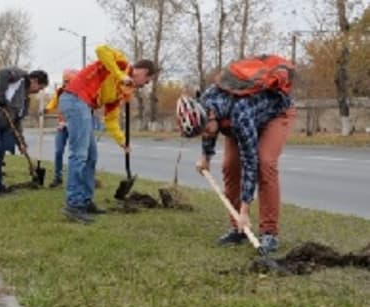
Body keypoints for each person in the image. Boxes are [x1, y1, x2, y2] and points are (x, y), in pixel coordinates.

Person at [177, 75, 296, 253]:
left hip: (276, 114)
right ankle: (238, 229)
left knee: (265, 164)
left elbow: (250, 162)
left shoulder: (240, 112)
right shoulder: (206, 104)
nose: (207, 135)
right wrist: (206, 158)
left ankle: (269, 233)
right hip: (237, 121)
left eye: (206, 130)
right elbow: (208, 131)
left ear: (209, 115)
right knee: (229, 166)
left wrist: (245, 210)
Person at [59, 44, 158, 224]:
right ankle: (73, 205)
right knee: (79, 155)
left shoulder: (121, 91)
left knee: (91, 156)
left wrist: (123, 141)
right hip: (75, 98)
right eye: (147, 80)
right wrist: (121, 75)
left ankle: (85, 201)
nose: (145, 85)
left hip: (84, 105)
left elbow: (111, 119)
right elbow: (101, 50)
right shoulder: (120, 63)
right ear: (142, 71)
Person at [0, 67, 49, 196]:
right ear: (34, 80)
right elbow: (3, 73)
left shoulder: (25, 100)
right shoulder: (20, 77)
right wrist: (0, 96)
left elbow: (16, 123)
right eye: (39, 88)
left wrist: (21, 143)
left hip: (0, 120)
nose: (38, 91)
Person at [45, 69, 79, 188]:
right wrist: (46, 109)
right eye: (66, 81)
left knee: (76, 153)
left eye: (70, 81)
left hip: (76, 126)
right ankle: (58, 178)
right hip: (62, 126)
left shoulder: (80, 93)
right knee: (58, 151)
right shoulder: (60, 92)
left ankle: (76, 179)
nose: (67, 84)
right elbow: (53, 103)